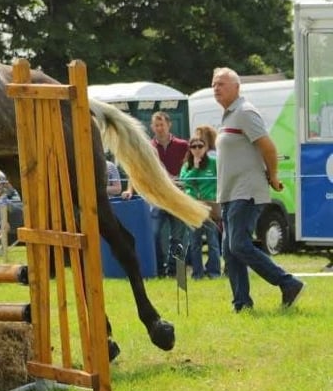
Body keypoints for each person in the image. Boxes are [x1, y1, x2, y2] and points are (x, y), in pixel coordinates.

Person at [212, 67, 305, 311]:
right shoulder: (228, 116)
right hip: (229, 193)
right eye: (214, 84)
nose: (216, 88)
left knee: (238, 245)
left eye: (221, 83)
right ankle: (242, 304)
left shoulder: (245, 112)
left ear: (236, 87)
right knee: (229, 251)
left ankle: (288, 283)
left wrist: (272, 175)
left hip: (246, 192)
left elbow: (268, 147)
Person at [122, 111, 190, 277]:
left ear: (169, 125)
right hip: (157, 198)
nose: (159, 128)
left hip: (178, 197)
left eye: (162, 125)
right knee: (154, 234)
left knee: (178, 237)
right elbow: (136, 169)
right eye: (156, 125)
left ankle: (176, 272)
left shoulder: (183, 145)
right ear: (152, 127)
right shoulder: (147, 147)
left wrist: (183, 180)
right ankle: (159, 270)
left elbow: (191, 168)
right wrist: (130, 190)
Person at [179, 137, 221, 280]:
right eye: (194, 147)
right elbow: (184, 182)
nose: (197, 149)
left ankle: (214, 272)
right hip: (193, 206)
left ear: (205, 148)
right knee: (195, 242)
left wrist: (215, 196)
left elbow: (221, 179)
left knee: (212, 241)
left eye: (200, 146)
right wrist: (195, 168)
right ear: (190, 149)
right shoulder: (187, 166)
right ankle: (197, 273)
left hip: (209, 206)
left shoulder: (213, 163)